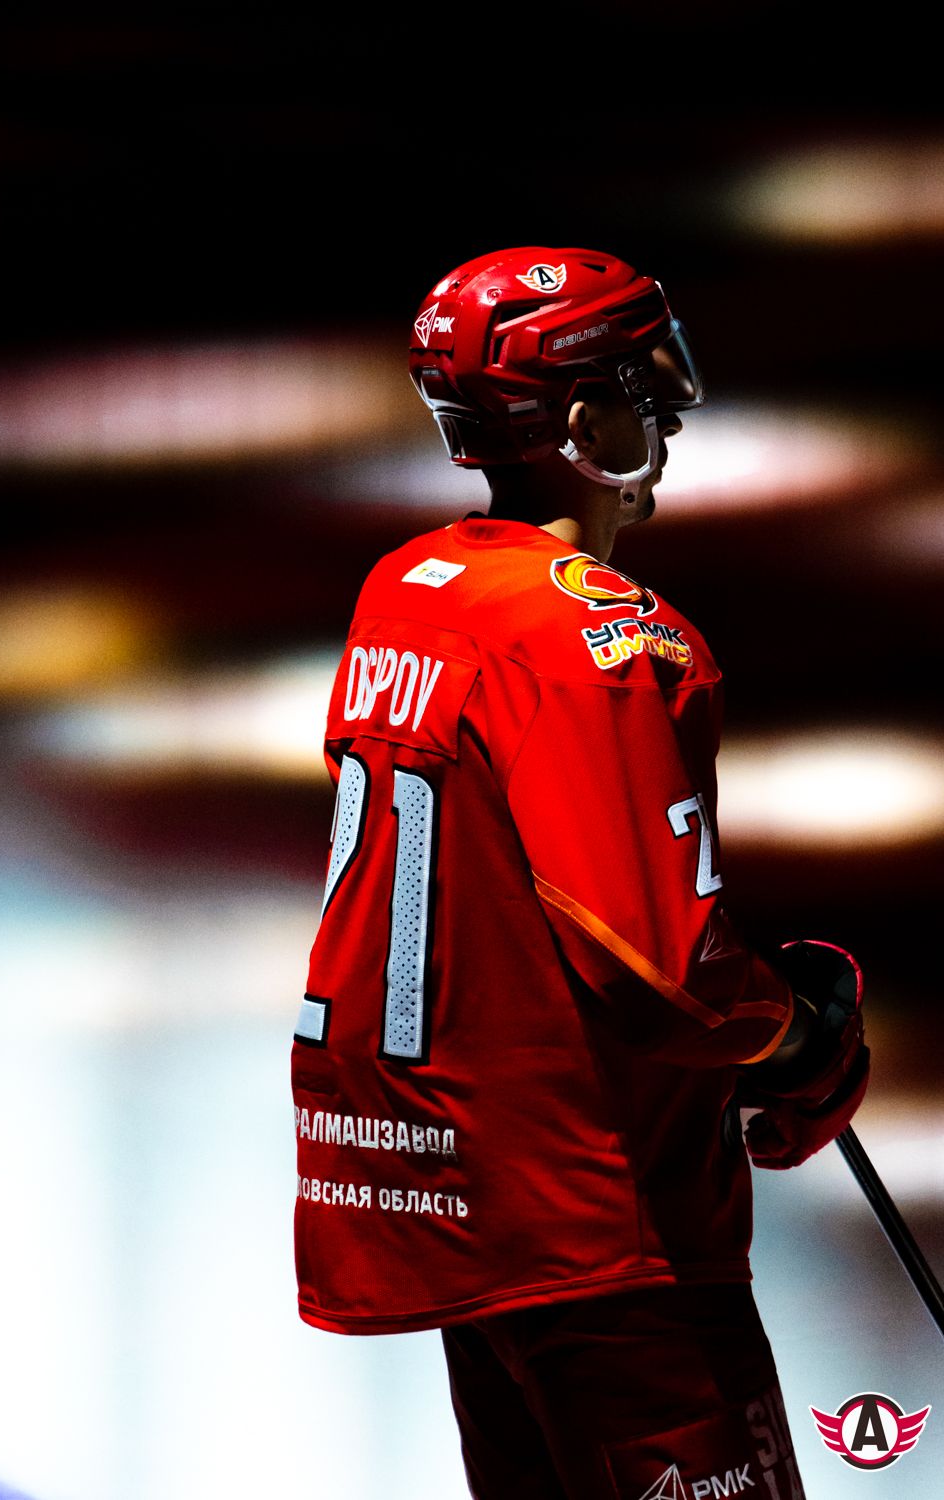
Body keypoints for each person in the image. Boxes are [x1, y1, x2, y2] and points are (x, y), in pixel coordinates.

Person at [291, 245, 870, 1499]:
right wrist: (802, 1034)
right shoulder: (604, 639)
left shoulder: (405, 594)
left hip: (463, 1211)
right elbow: (670, 978)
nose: (671, 413)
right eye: (642, 382)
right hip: (607, 1232)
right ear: (581, 420)